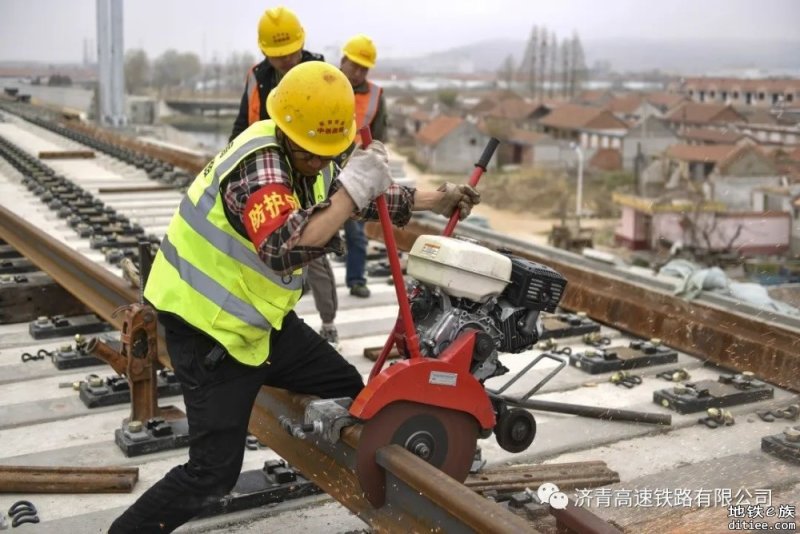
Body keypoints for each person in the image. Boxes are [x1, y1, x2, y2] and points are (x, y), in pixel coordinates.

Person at [107, 61, 480, 533]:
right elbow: (284, 247)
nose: (322, 164)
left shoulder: (313, 149)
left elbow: (361, 196)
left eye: (330, 154)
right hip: (209, 334)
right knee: (212, 473)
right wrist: (348, 191)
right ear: (286, 130)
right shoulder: (259, 165)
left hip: (257, 325)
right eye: (313, 156)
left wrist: (438, 198)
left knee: (350, 390)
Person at [230, 5, 340, 347]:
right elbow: (242, 124)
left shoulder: (321, 73)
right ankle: (272, 318)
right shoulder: (257, 76)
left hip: (311, 170)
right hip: (270, 175)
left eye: (289, 52)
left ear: (301, 43)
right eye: (277, 56)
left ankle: (328, 320)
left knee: (314, 250)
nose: (285, 60)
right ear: (265, 51)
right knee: (270, 250)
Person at [338, 34, 388, 299]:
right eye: (354, 65)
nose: (358, 72)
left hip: (355, 170)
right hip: (320, 165)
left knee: (356, 232)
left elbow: (379, 138)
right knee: (313, 227)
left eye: (363, 68)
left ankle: (356, 280)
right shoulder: (324, 81)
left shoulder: (376, 95)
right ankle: (305, 279)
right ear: (342, 60)